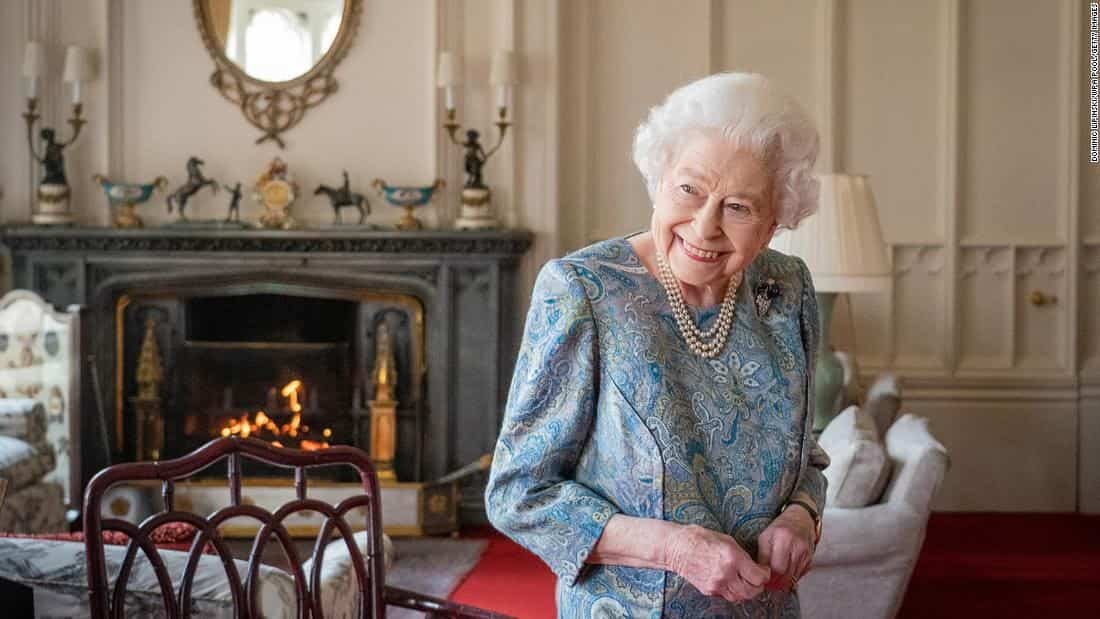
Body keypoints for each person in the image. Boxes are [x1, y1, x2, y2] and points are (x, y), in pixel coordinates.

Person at [486, 73, 830, 617]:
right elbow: (519, 496)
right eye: (689, 189)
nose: (705, 225)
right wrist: (674, 549)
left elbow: (805, 456)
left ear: (773, 222)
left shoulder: (787, 289)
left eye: (739, 206)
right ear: (659, 179)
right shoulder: (584, 291)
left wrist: (801, 516)